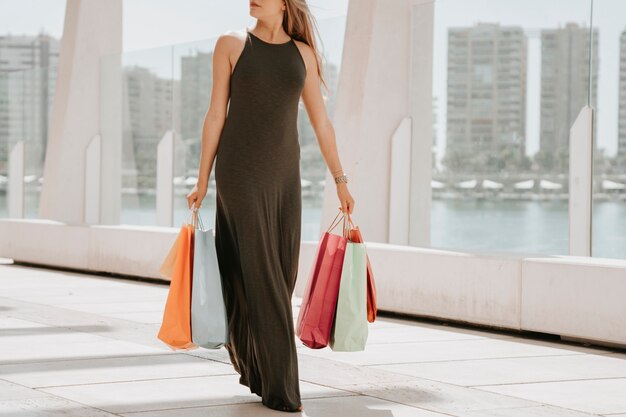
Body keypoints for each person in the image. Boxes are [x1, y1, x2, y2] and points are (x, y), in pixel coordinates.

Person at [186, 0, 355, 412]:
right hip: (239, 174)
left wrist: (340, 179)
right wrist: (203, 178)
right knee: (260, 272)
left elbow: (321, 123)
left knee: (279, 274)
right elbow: (215, 115)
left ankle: (258, 369)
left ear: (285, 3)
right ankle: (283, 389)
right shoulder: (230, 44)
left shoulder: (303, 54)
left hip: (284, 179)